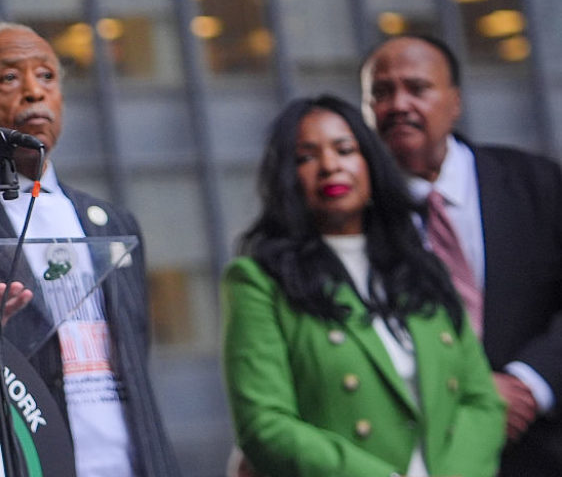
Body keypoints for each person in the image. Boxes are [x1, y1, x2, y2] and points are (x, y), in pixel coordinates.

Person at [0, 22, 181, 477]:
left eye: (47, 76)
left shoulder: (114, 224)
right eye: (10, 78)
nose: (34, 92)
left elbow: (135, 355)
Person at [222, 95, 504, 477]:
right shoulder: (259, 282)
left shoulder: (422, 270)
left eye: (345, 149)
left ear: (371, 165)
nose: (330, 166)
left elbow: (481, 402)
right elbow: (264, 424)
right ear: (287, 179)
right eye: (306, 157)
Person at [361, 34, 562, 476]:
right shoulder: (356, 221)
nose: (398, 104)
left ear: (455, 101)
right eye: (381, 92)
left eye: (417, 88)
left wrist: (527, 384)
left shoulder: (539, 184)